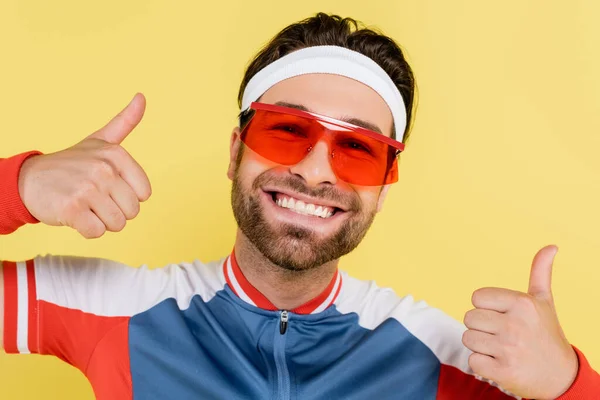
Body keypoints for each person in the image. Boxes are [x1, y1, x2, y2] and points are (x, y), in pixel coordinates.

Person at [0, 13, 598, 400]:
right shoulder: (114, 311)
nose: (314, 171)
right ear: (236, 152)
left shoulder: (447, 357)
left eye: (358, 150)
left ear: (385, 186)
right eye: (286, 131)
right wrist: (18, 187)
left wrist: (569, 383)